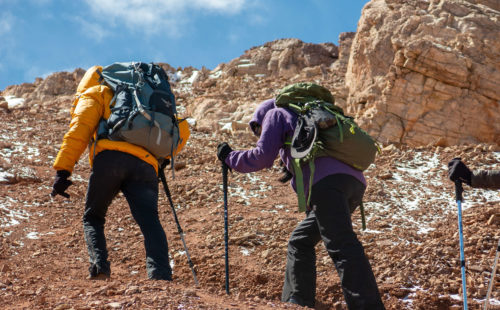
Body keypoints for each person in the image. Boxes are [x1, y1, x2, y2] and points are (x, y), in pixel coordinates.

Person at [217, 98, 385, 309]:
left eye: (258, 130)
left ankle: (366, 306)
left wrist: (229, 157)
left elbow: (261, 156)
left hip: (328, 185)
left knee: (341, 245)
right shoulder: (300, 117)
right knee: (300, 241)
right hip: (353, 184)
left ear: (261, 118)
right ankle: (296, 302)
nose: (260, 134)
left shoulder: (274, 114)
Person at [51, 66, 190, 280]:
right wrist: (162, 159)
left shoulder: (98, 93)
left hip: (110, 160)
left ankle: (100, 269)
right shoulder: (146, 101)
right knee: (150, 221)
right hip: (146, 166)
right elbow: (181, 130)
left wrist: (63, 170)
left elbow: (78, 129)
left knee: (93, 217)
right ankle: (160, 275)